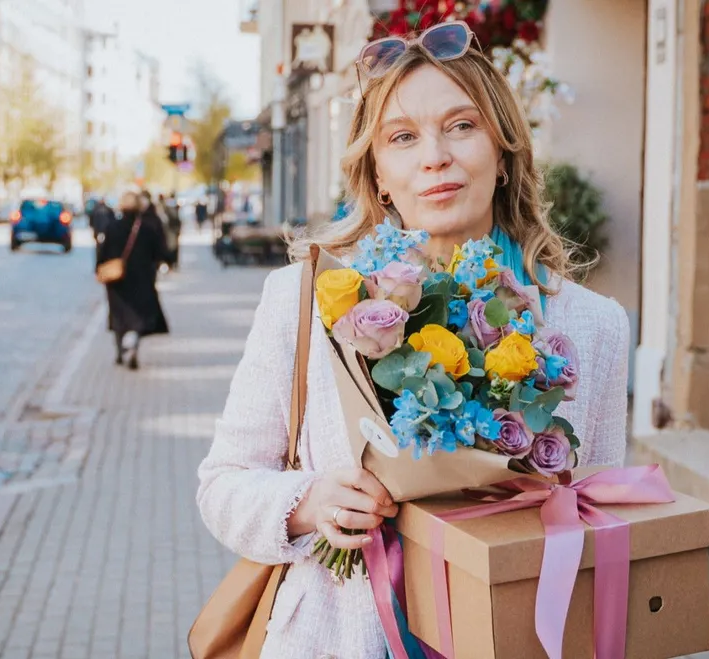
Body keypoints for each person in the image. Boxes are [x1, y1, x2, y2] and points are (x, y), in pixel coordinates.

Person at [196, 21, 630, 658]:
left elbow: (599, 515)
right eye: (402, 137)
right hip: (337, 638)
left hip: (517, 634)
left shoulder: (593, 325)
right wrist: (310, 502)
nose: (435, 156)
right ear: (377, 173)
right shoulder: (309, 298)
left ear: (504, 151)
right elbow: (223, 484)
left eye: (461, 125)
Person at [97, 190, 169, 370]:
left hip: (116, 279)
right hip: (142, 278)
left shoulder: (112, 227)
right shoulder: (146, 228)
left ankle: (120, 351)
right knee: (138, 314)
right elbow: (159, 252)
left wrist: (99, 268)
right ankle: (133, 342)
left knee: (119, 314)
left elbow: (102, 252)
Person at [89, 198, 116, 266]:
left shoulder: (95, 210)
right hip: (106, 232)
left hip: (100, 232)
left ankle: (100, 264)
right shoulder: (108, 210)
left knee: (100, 249)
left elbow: (91, 222)